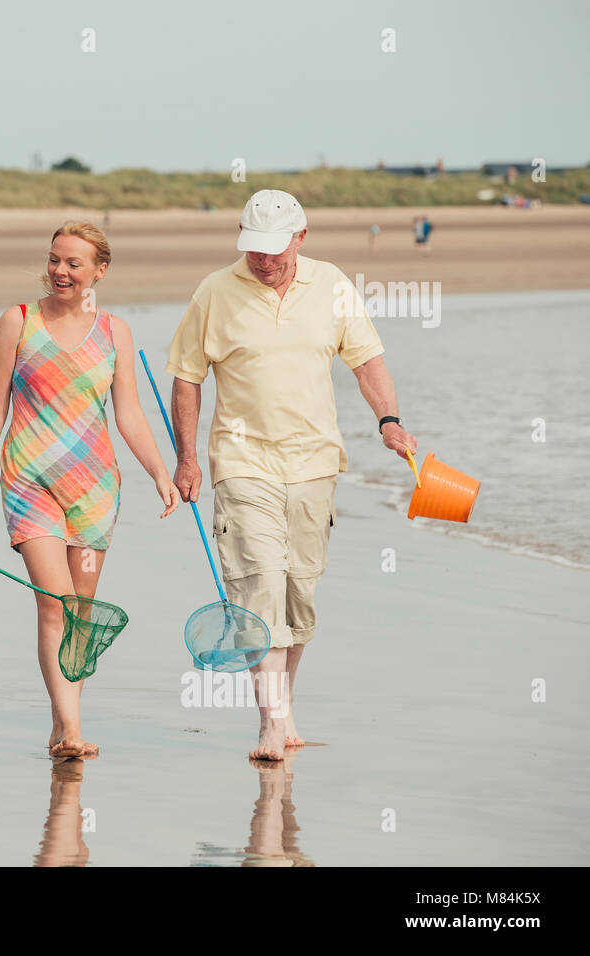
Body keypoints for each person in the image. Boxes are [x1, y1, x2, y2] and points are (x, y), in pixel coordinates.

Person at [165, 188, 418, 761]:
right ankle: (271, 725)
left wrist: (389, 421)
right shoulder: (214, 292)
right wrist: (185, 457)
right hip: (241, 462)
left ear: (301, 237)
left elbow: (367, 360)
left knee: (298, 598)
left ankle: (283, 707)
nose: (264, 258)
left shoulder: (331, 285)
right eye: (253, 247)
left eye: (275, 248)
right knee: (260, 592)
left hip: (314, 465)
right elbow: (186, 377)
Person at [0, 222, 179, 759]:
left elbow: (127, 412)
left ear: (99, 271)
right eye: (55, 260)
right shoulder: (18, 321)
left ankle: (63, 724)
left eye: (74, 264)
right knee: (55, 604)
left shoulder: (115, 332)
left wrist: (159, 469)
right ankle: (72, 726)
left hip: (95, 488)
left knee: (82, 610)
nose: (60, 271)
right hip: (28, 482)